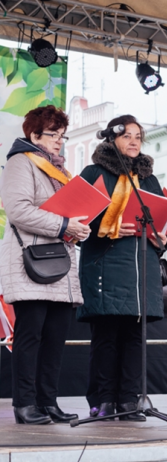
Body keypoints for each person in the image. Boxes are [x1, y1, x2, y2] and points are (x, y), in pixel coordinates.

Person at [0, 106, 91, 424]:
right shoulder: (19, 163)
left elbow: (64, 215)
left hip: (60, 266)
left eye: (62, 135)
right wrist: (65, 225)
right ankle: (24, 404)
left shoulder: (59, 171)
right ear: (33, 134)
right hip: (32, 264)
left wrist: (79, 226)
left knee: (54, 339)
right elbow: (18, 210)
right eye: (53, 134)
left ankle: (47, 401)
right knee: (30, 337)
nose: (59, 141)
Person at [78, 115, 167, 421]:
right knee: (106, 338)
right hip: (105, 265)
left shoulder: (148, 179)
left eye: (138, 137)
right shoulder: (94, 173)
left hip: (141, 268)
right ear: (111, 139)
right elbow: (77, 222)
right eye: (127, 136)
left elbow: (163, 222)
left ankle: (129, 400)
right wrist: (113, 227)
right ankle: (102, 401)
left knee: (134, 339)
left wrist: (162, 237)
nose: (133, 142)